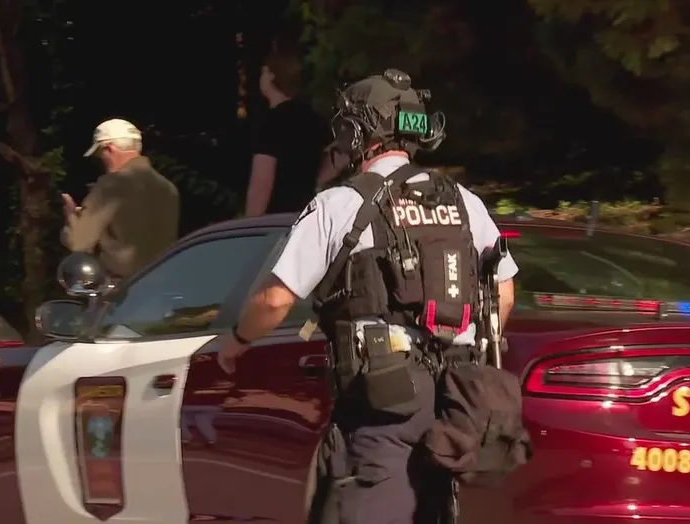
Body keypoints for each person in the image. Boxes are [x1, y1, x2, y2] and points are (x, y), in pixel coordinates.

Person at [216, 69, 518, 523]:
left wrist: (237, 341)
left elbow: (276, 300)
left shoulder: (338, 205)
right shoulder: (464, 202)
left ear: (356, 131)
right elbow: (504, 294)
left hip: (382, 404)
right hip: (455, 405)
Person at [62, 118, 180, 280]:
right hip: (161, 285)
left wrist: (71, 217)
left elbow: (79, 244)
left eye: (99, 154)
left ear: (109, 149)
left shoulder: (110, 185)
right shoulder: (169, 188)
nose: (100, 161)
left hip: (122, 291)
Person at [244, 46, 332, 216]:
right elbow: (335, 157)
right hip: (306, 216)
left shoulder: (272, 123)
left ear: (272, 77)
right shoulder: (313, 118)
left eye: (264, 72)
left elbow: (262, 183)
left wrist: (250, 224)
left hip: (274, 223)